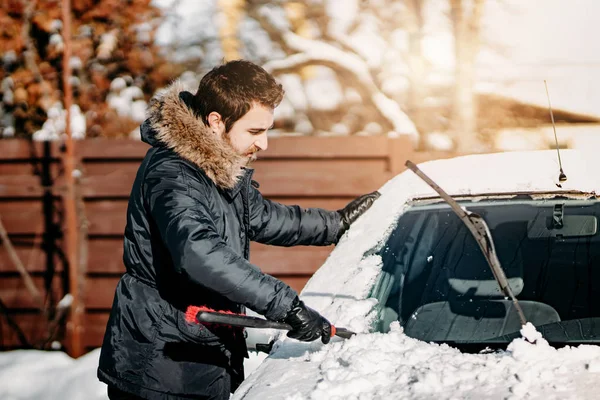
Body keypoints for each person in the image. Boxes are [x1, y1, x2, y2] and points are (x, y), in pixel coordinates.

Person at [97, 60, 380, 400]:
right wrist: (286, 305)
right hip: (162, 365)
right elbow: (198, 252)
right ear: (216, 122)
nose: (264, 144)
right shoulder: (175, 175)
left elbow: (261, 216)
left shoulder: (214, 166)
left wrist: (337, 224)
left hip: (196, 351)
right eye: (255, 132)